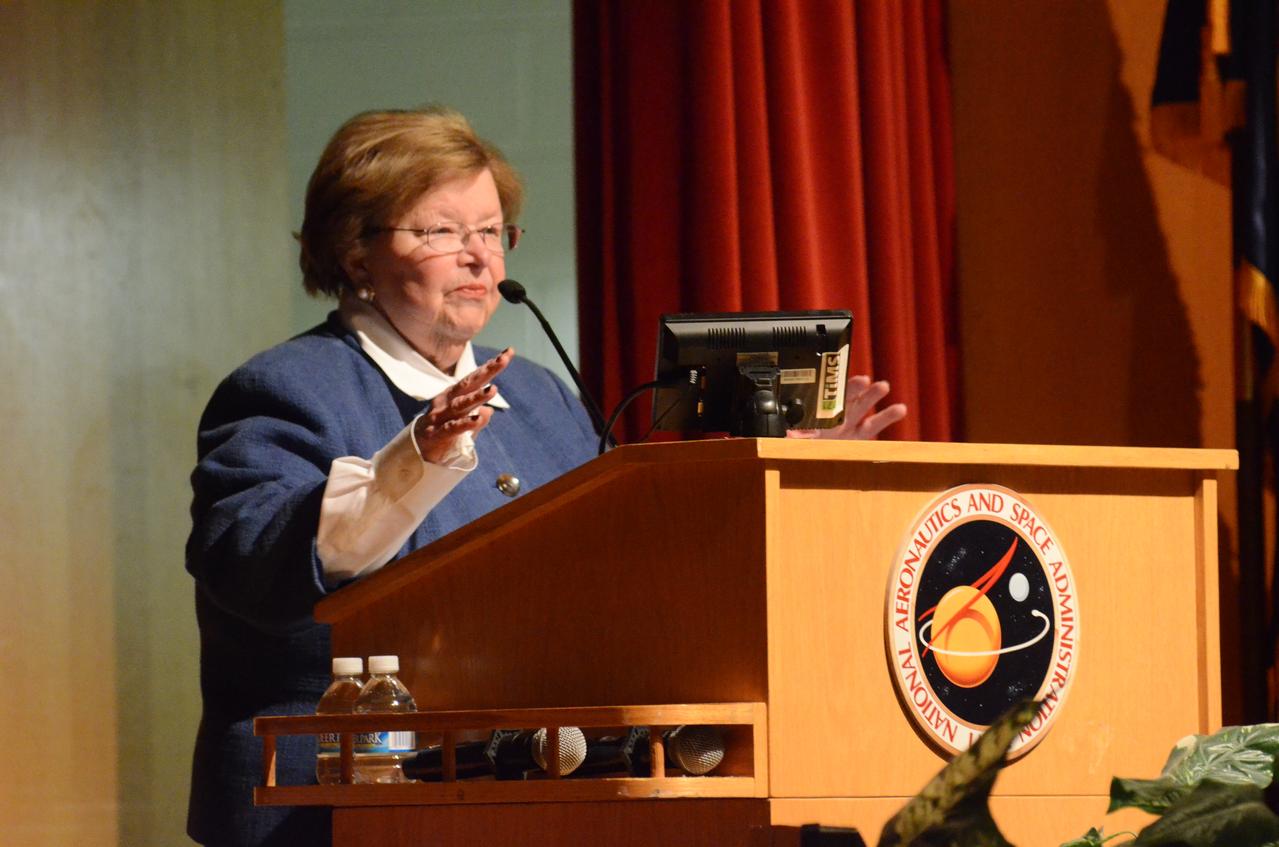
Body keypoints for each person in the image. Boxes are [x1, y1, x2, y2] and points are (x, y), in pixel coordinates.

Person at [184, 105, 906, 847]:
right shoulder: (285, 388)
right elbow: (249, 566)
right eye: (440, 231)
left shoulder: (535, 395)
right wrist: (415, 458)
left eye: (491, 230)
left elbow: (628, 571)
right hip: (326, 813)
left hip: (538, 802)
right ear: (355, 252)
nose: (479, 257)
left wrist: (778, 467)